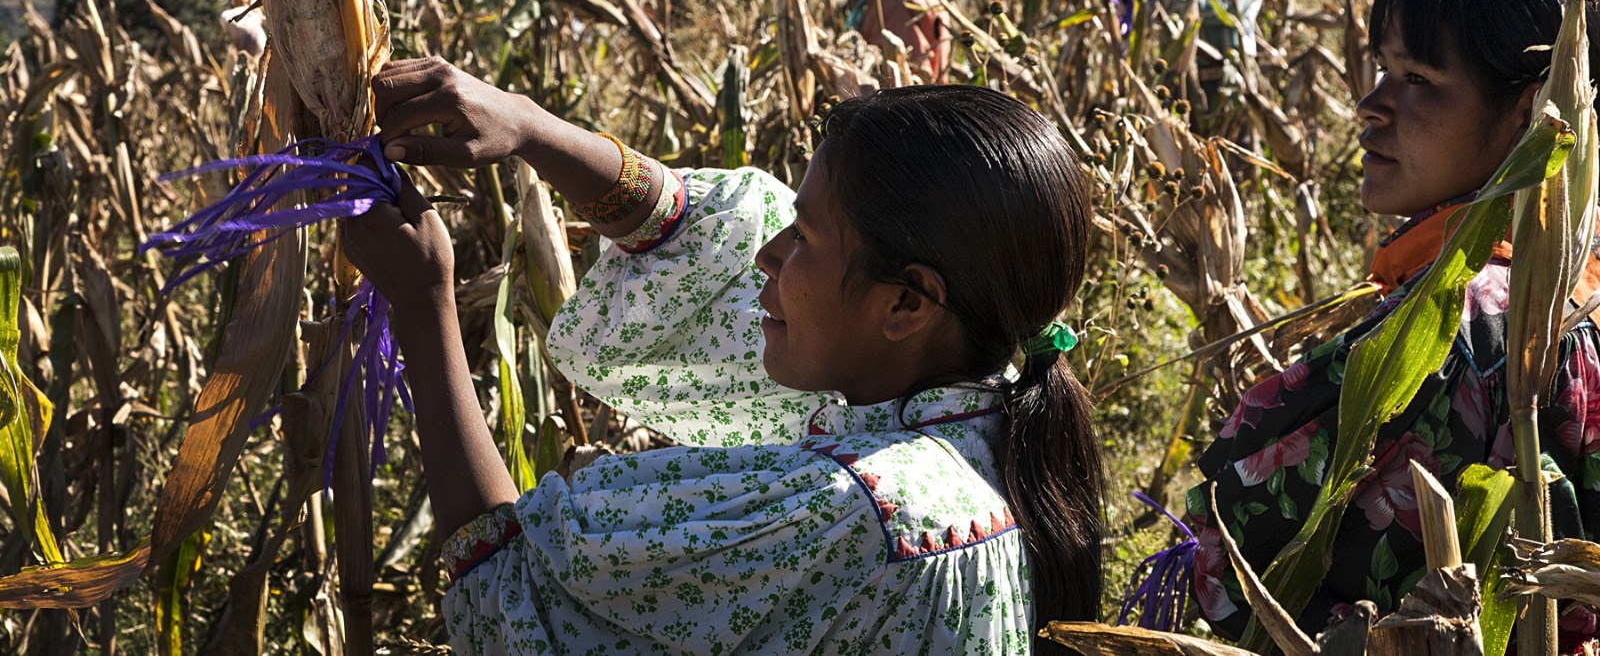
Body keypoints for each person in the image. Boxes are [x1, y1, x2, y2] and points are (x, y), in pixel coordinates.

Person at [342, 60, 1104, 653]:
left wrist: (424, 302)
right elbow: (703, 253)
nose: (767, 257)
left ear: (906, 303)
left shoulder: (854, 510)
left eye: (801, 237)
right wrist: (532, 130)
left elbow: (510, 596)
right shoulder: (987, 419)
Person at [1186, 0, 1600, 645]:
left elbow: (1242, 539)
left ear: (1536, 114)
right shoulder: (1575, 279)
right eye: (1382, 69)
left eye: (1418, 78)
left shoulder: (1460, 323)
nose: (1369, 106)